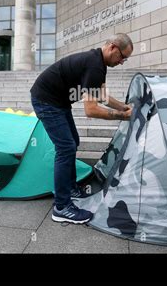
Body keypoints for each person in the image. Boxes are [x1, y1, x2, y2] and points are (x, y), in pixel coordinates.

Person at [30, 33, 134, 224]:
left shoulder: (98, 63)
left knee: (73, 142)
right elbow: (91, 110)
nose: (121, 62)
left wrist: (123, 107)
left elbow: (101, 95)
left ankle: (69, 188)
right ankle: (61, 207)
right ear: (112, 47)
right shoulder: (94, 65)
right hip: (46, 100)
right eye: (122, 57)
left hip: (58, 102)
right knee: (66, 147)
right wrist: (122, 116)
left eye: (125, 60)